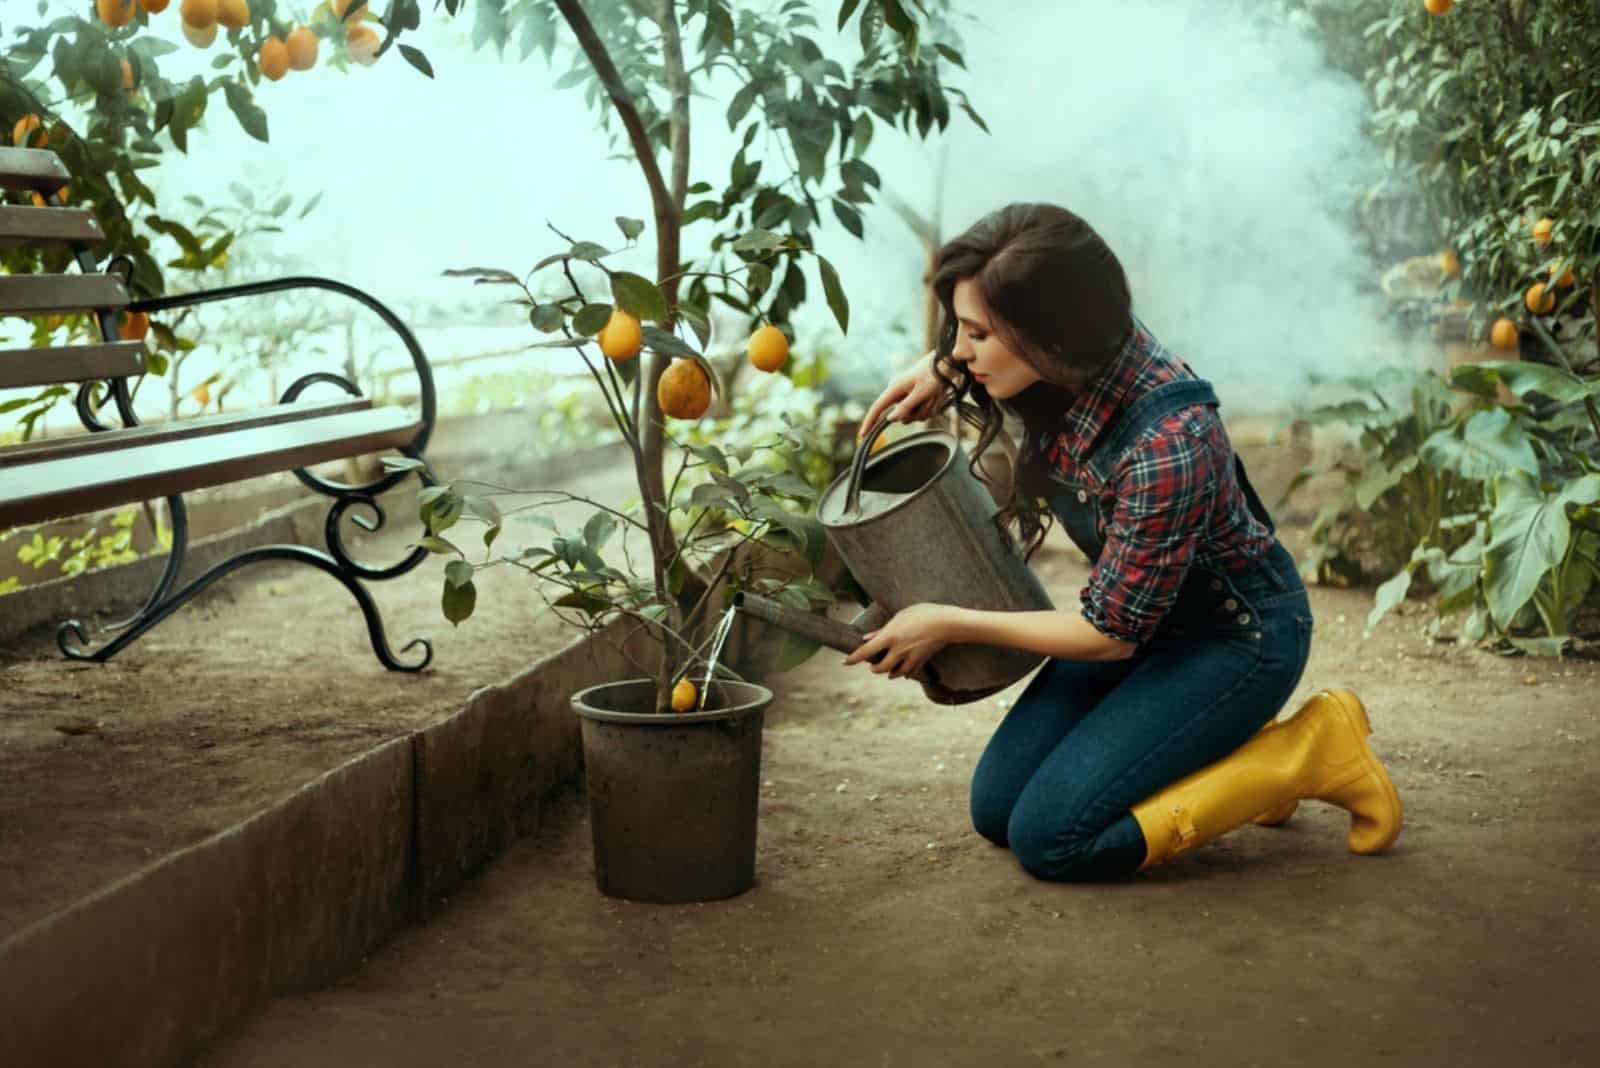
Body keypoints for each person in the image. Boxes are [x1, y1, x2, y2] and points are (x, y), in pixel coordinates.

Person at [843, 203, 1402, 881]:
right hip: (1148, 618)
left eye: (977, 335)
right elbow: (995, 331)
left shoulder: (1167, 442)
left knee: (1053, 838)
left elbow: (1111, 635)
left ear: (1050, 336)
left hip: (1234, 640)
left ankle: (1303, 754)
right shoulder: (1075, 355)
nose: (959, 350)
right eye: (958, 329)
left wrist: (948, 623)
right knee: (996, 810)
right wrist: (945, 369)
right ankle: (1210, 740)